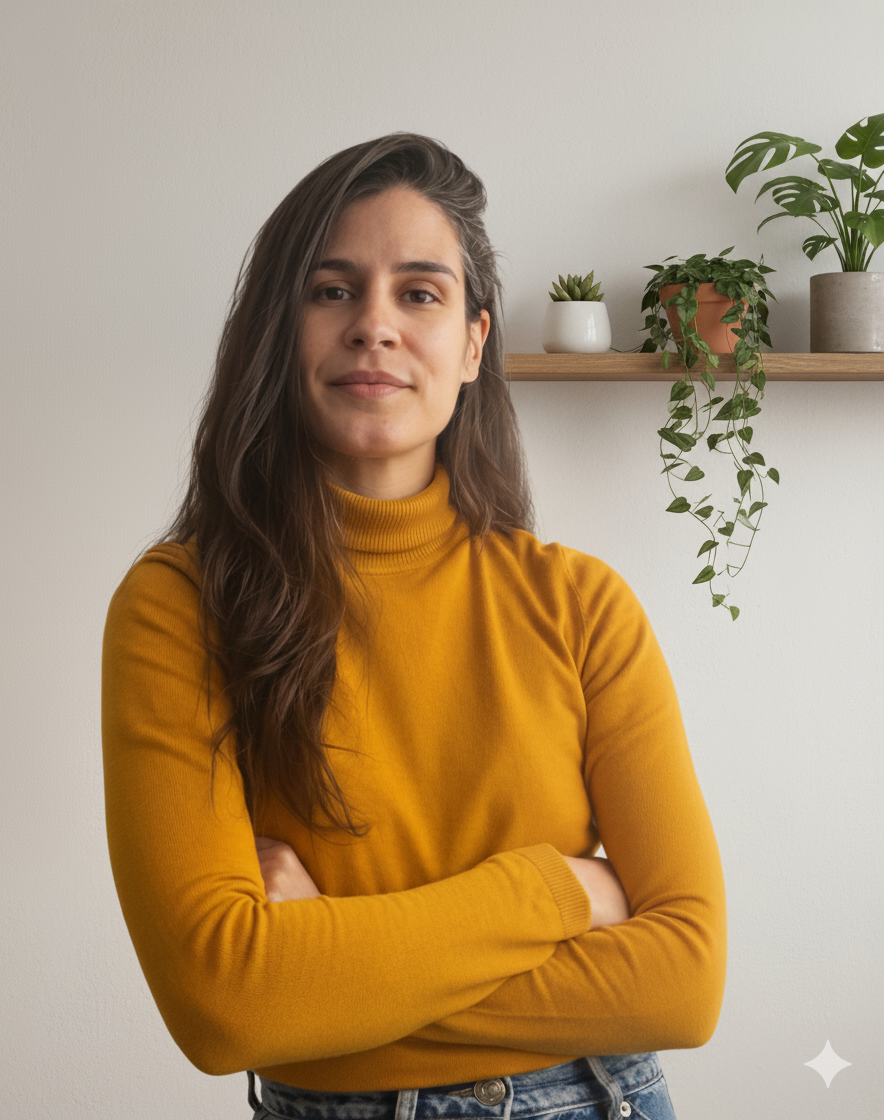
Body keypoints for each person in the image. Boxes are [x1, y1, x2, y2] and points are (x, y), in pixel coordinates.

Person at [101, 133, 727, 1120]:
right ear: (281, 328)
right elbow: (222, 1004)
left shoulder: (583, 606)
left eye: (420, 293)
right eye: (331, 290)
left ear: (474, 343)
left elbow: (684, 984)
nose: (374, 326)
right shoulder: (180, 605)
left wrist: (325, 964)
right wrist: (558, 894)